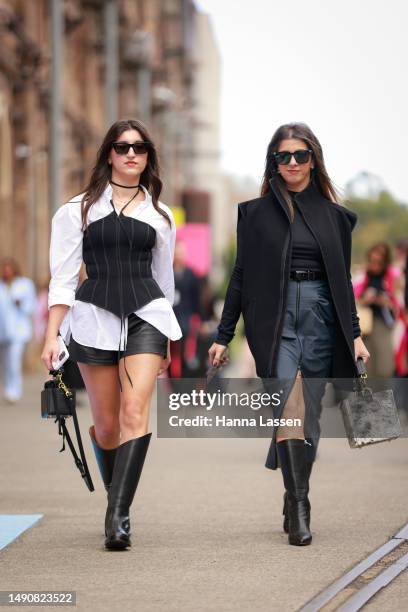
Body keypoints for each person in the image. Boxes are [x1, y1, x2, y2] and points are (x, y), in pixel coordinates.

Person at [208, 122, 370, 546]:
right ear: (273, 162)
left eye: (301, 155)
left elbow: (342, 282)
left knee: (310, 414)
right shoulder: (254, 214)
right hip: (273, 317)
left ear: (313, 161)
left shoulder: (337, 218)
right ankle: (301, 506)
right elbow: (240, 275)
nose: (293, 162)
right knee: (288, 406)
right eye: (284, 156)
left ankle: (293, 491)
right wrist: (224, 335)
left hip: (320, 314)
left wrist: (354, 334)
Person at [41, 119, 182, 550]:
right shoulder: (76, 210)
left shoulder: (160, 216)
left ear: (148, 157)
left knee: (134, 412)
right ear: (109, 154)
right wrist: (52, 336)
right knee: (106, 428)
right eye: (122, 147)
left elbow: (164, 278)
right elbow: (63, 279)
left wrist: (168, 339)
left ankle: (117, 516)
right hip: (93, 318)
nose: (131, 154)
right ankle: (116, 498)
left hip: (146, 317)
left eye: (139, 148)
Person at [354, 243, 400, 378]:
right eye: (372, 260)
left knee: (384, 366)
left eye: (378, 261)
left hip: (383, 322)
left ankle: (384, 394)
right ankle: (369, 396)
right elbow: (355, 298)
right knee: (368, 366)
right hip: (365, 323)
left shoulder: (392, 276)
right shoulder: (363, 275)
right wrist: (366, 299)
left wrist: (383, 300)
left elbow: (397, 302)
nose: (374, 264)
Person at [0, 258, 36, 402]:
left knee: (14, 361)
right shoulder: (1, 286)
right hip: (2, 331)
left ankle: (15, 390)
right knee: (5, 363)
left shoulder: (25, 284)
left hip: (19, 331)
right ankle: (8, 388)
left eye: (9, 268)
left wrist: (21, 304)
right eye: (4, 268)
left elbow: (31, 307)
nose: (7, 271)